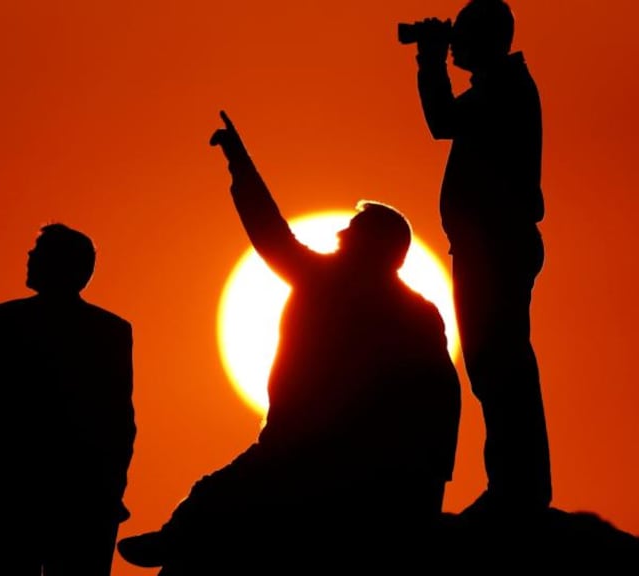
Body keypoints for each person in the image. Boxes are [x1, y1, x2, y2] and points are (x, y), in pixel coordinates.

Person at [117, 112, 462, 571]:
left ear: (374, 246)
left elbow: (271, 234)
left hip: (314, 451)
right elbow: (443, 394)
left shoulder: (337, 285)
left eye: (351, 231)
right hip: (338, 451)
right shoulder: (412, 309)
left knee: (215, 498)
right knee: (218, 495)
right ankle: (178, 536)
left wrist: (240, 165)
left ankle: (178, 537)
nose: (339, 234)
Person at [411, 0, 550, 515]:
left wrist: (428, 62)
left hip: (497, 248)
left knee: (501, 363)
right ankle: (516, 485)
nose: (455, 45)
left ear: (488, 39)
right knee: (495, 365)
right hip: (487, 248)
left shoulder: (504, 90)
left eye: (462, 36)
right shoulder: (500, 88)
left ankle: (518, 490)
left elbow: (441, 121)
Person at [0, 223, 136, 576]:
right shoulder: (110, 331)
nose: (29, 257)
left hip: (42, 503)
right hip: (58, 502)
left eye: (39, 252)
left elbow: (117, 423)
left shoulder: (0, 323)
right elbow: (120, 425)